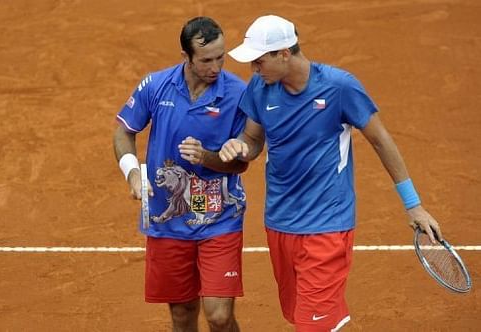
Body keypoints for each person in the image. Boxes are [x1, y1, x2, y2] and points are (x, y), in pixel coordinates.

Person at [219, 15, 443, 332]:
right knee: (304, 317)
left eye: (259, 61)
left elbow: (381, 140)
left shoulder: (339, 87)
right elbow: (253, 139)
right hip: (280, 223)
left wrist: (413, 204)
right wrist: (239, 146)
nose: (253, 70)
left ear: (284, 54)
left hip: (327, 225)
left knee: (312, 327)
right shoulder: (261, 86)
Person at [113, 17, 248, 332]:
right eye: (206, 60)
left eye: (220, 58)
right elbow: (124, 131)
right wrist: (132, 173)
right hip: (168, 216)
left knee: (219, 316)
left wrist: (206, 156)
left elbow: (241, 163)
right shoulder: (156, 85)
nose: (215, 67)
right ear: (186, 57)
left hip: (218, 214)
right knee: (183, 313)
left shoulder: (238, 94)